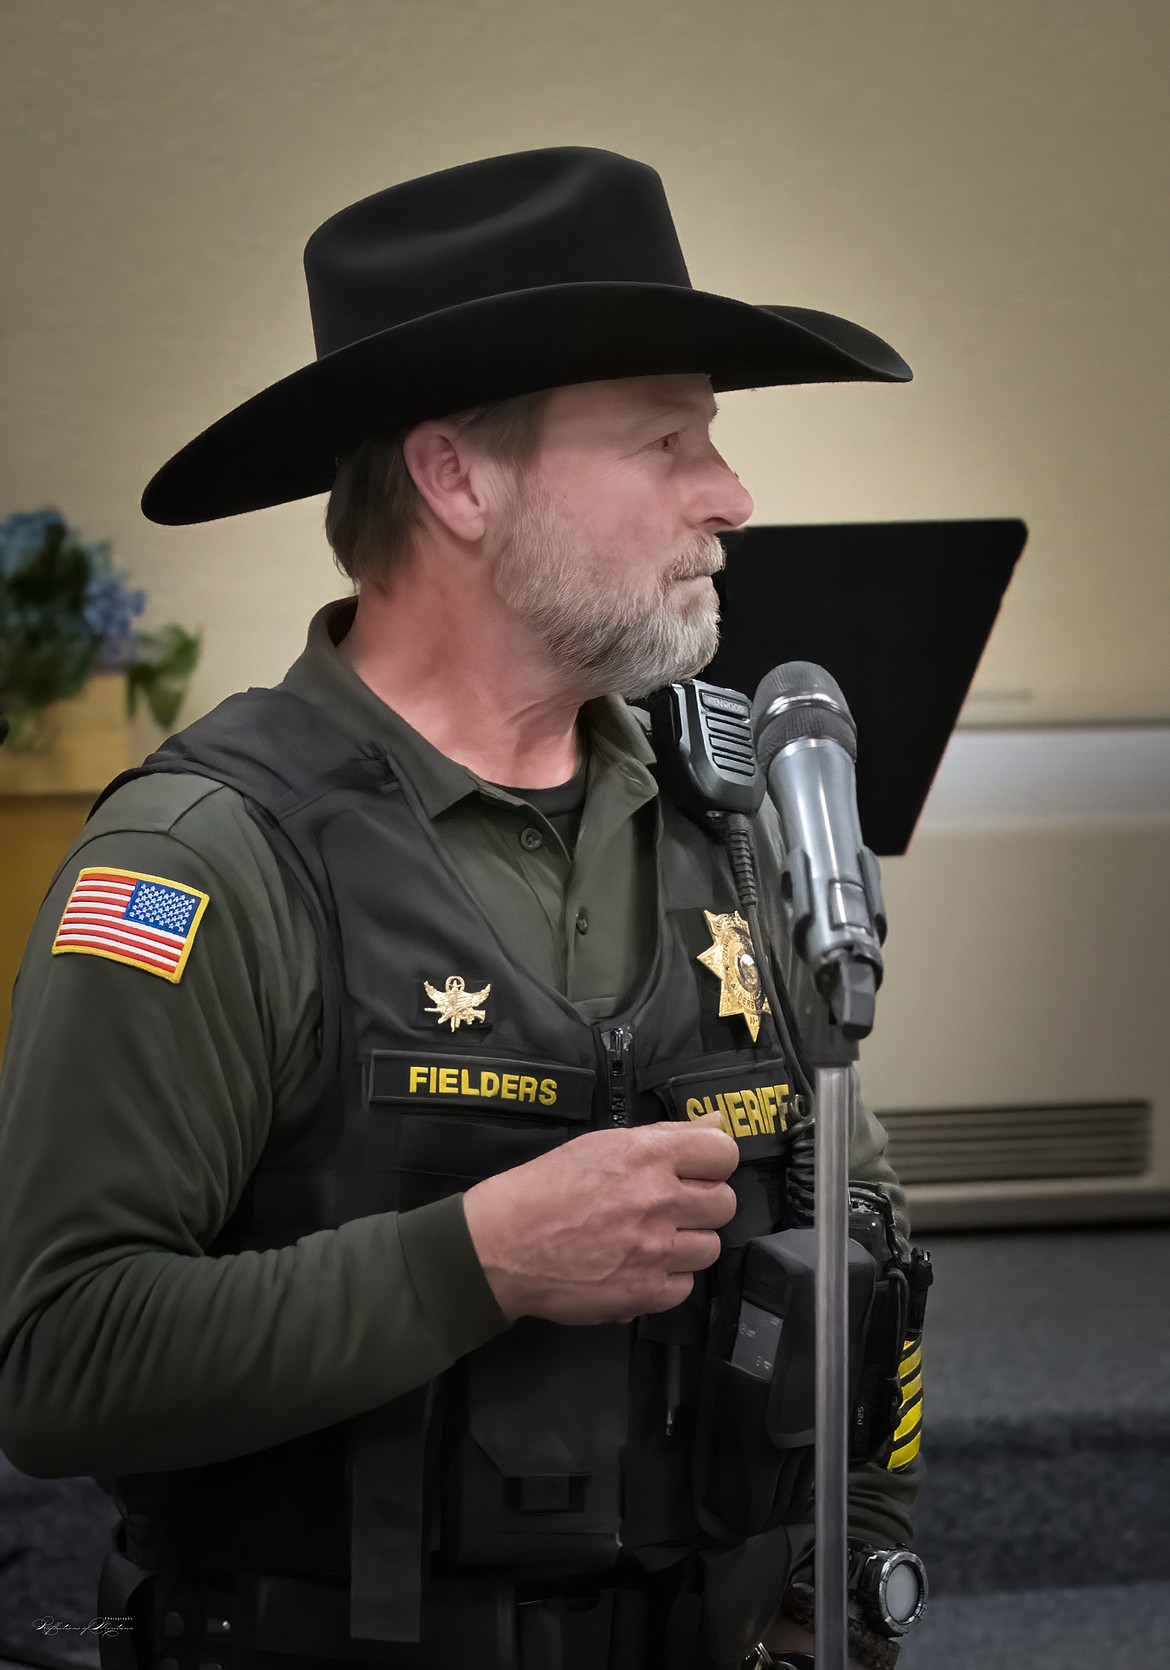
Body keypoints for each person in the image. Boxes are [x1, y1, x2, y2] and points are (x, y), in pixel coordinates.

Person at [0, 148, 923, 1670]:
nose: (731, 495)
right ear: (456, 476)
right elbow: (58, 1362)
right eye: (665, 440)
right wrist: (475, 1258)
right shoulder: (204, 859)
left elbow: (866, 1239)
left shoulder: (737, 822)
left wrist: (855, 1578)